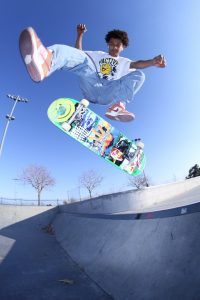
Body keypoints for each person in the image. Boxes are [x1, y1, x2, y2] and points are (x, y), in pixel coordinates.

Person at [19, 24, 166, 122]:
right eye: (112, 44)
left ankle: (117, 107)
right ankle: (46, 61)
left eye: (118, 45)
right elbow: (77, 54)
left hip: (109, 92)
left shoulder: (125, 62)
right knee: (82, 59)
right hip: (91, 85)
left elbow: (138, 63)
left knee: (139, 74)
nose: (114, 47)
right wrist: (80, 35)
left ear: (123, 47)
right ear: (108, 44)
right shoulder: (98, 54)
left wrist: (152, 62)